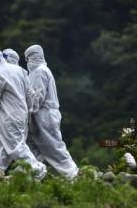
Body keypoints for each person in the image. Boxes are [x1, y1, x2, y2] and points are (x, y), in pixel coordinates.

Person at [0, 47, 46, 180]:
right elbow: (30, 94)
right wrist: (29, 110)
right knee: (2, 143)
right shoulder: (19, 70)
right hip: (21, 115)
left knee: (16, 147)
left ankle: (37, 169)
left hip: (9, 117)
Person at [24, 44, 78, 179]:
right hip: (44, 115)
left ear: (30, 58)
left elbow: (37, 97)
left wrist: (26, 110)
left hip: (45, 116)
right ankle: (30, 175)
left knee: (54, 147)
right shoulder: (42, 70)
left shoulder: (39, 72)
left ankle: (73, 174)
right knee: (35, 147)